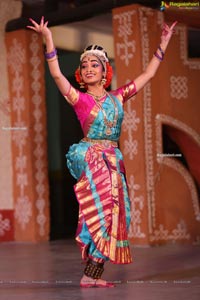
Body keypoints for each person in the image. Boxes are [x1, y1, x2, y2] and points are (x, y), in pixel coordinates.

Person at [27, 16, 177, 288]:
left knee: (122, 215)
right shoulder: (79, 99)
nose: (88, 69)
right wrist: (48, 39)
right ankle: (89, 274)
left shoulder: (118, 97)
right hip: (93, 159)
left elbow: (148, 74)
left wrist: (163, 43)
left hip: (113, 162)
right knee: (101, 213)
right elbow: (57, 75)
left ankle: (92, 274)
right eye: (84, 65)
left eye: (94, 64)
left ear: (105, 70)